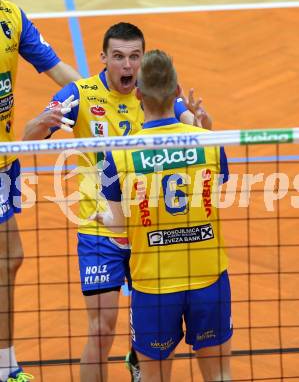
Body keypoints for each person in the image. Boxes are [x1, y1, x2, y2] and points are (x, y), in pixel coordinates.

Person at [23, 22, 212, 382]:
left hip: (147, 227)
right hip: (99, 228)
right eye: (119, 57)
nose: (127, 66)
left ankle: (139, 360)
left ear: (143, 60)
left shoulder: (157, 94)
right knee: (101, 329)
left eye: (135, 57)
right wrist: (40, 123)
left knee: (155, 335)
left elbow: (200, 131)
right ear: (104, 58)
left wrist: (202, 122)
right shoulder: (79, 94)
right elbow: (28, 137)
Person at [97, 49, 232, 382]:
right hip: (209, 277)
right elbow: (214, 191)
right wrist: (202, 128)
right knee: (219, 376)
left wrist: (102, 218)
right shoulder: (211, 143)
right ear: (177, 91)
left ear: (138, 94)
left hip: (154, 285)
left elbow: (120, 230)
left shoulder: (118, 156)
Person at [0, 0, 81, 382]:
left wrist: (103, 95)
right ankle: (4, 367)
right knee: (8, 257)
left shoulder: (11, 16)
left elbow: (59, 70)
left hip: (4, 158)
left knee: (9, 258)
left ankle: (5, 364)